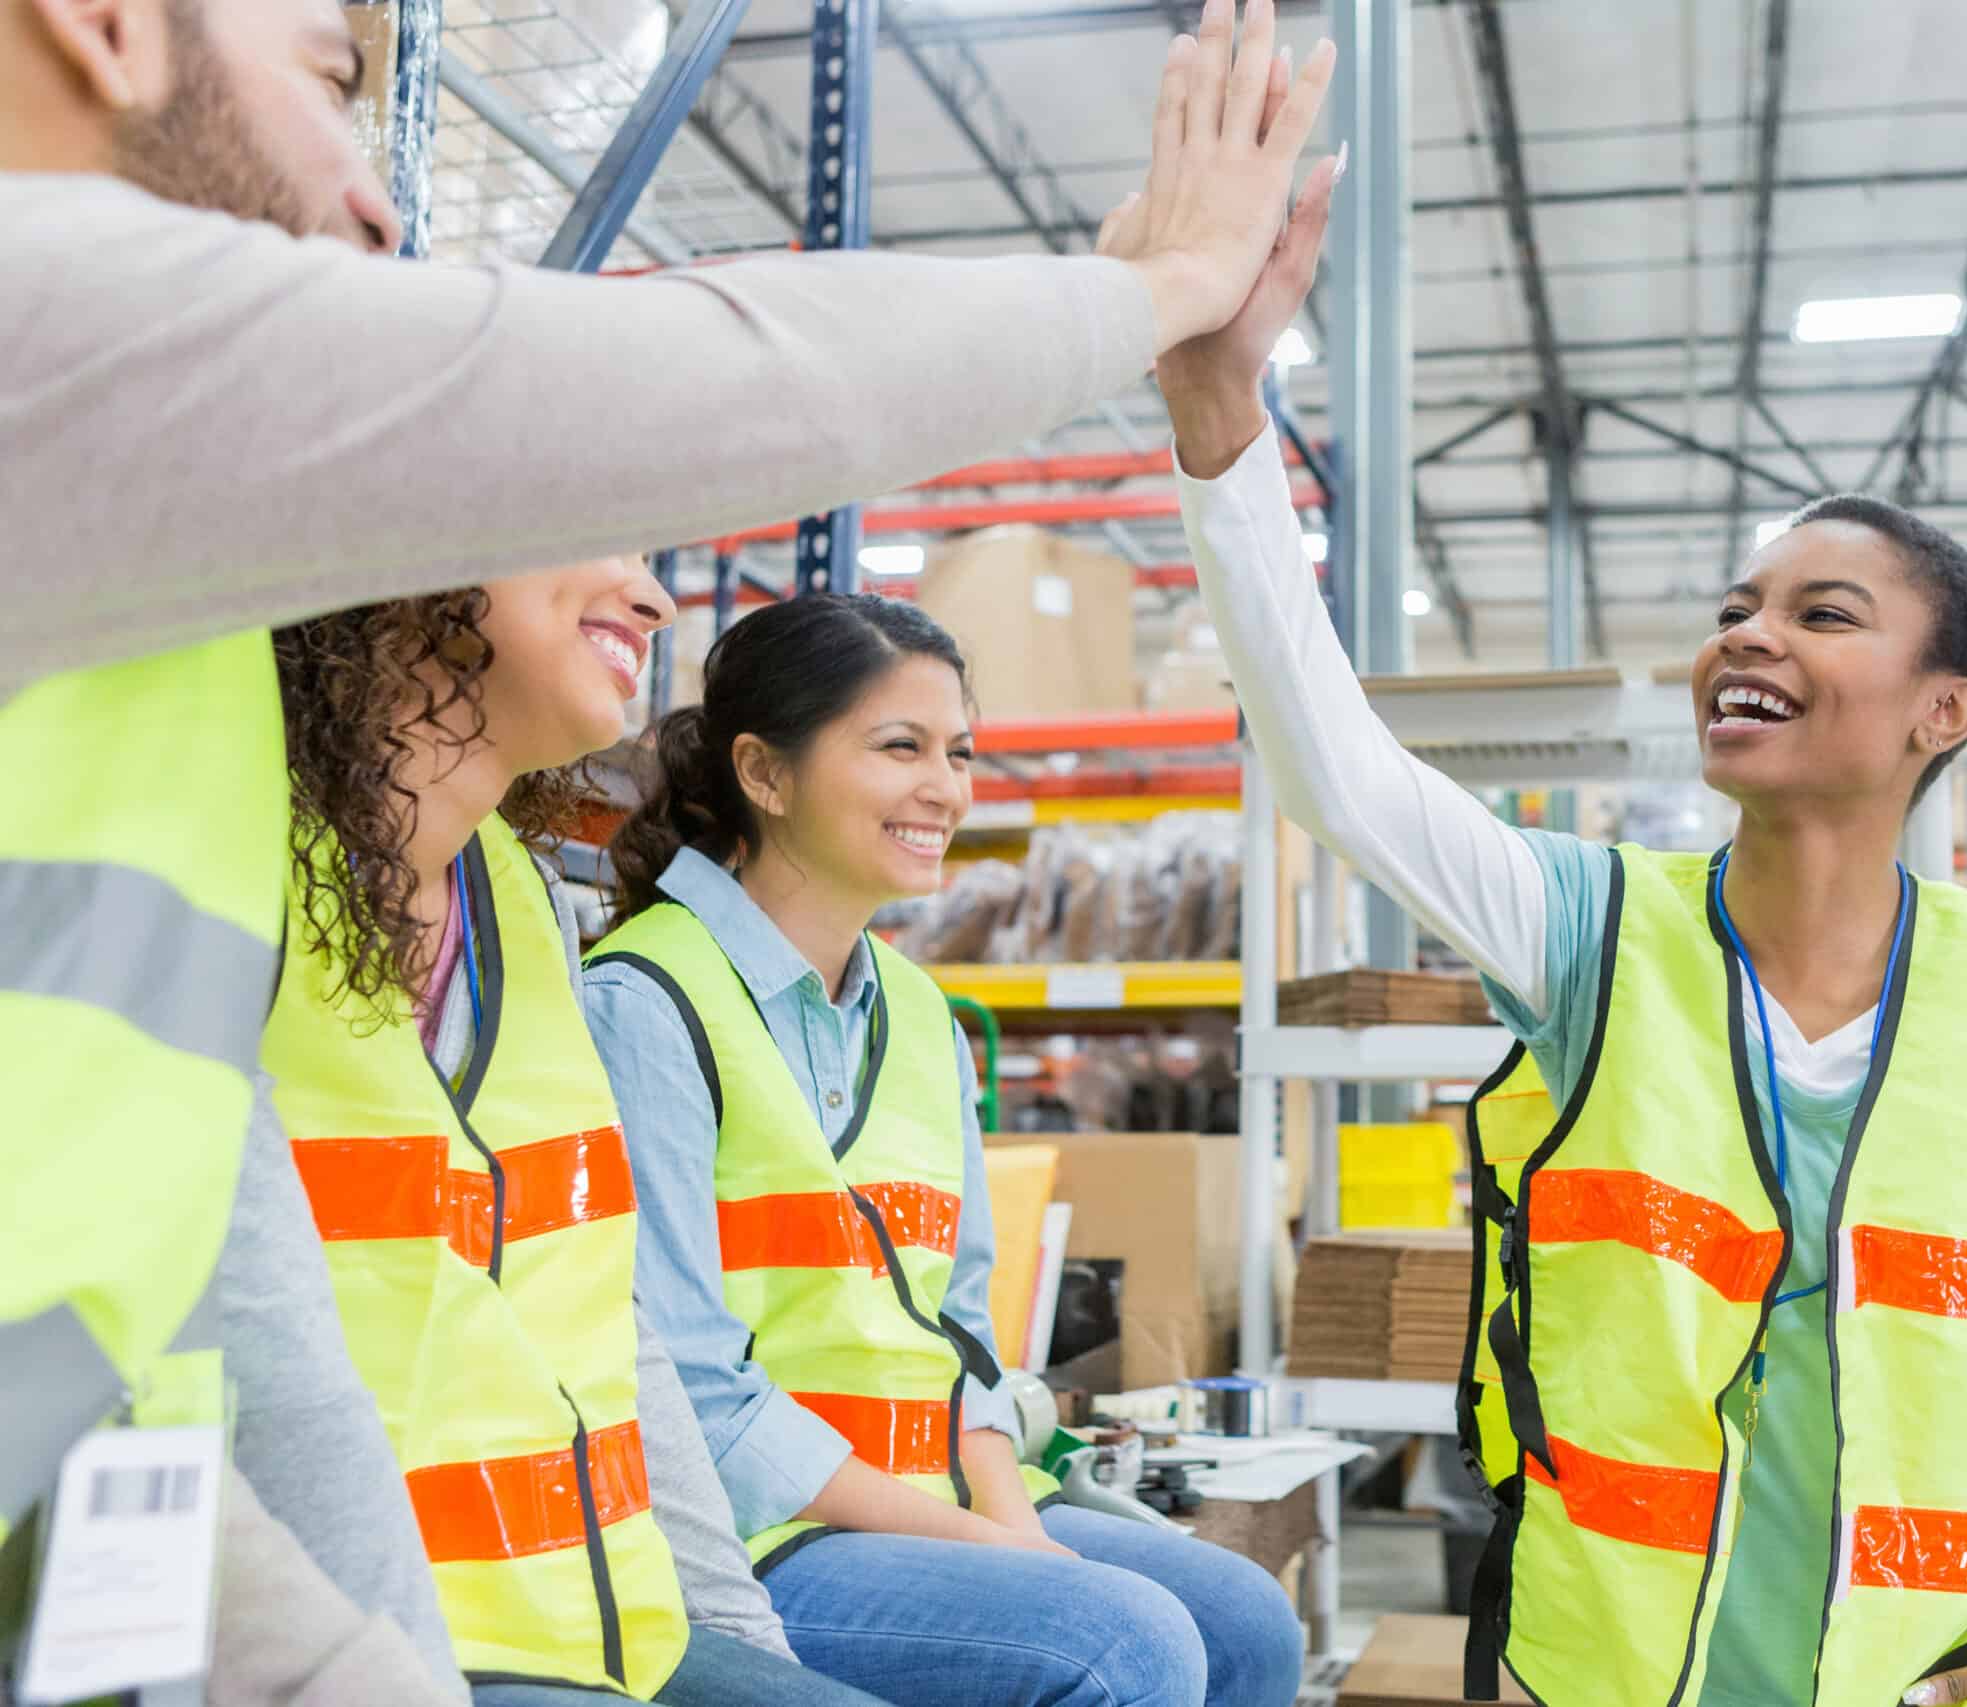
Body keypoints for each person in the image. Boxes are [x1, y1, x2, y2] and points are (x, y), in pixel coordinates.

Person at [0, 0, 1329, 1692]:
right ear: (101, 23)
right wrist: (1150, 287)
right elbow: (715, 375)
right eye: (335, 77)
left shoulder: (222, 731)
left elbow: (197, 1330)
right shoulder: (44, 342)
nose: (384, 204)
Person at [1132, 187, 1967, 1707]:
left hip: (1924, 1679)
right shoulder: (1590, 930)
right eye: (1735, 607)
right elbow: (1334, 771)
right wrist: (1222, 419)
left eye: (1822, 613)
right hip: (1594, 1671)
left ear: (1942, 709)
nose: (1747, 635)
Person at [580, 595, 1305, 1707]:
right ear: (764, 776)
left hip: (931, 1494)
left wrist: (1008, 1517)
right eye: (899, 747)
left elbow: (960, 1325)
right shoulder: (645, 1006)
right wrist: (991, 1549)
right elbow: (687, 1389)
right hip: (756, 1532)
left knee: (1247, 1621)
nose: (947, 789)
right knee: (1124, 1645)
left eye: (959, 752)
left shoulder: (919, 1014)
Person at [260, 557, 894, 1707]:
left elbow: (610, 1324)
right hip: (344, 1645)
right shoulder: (241, 882)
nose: (651, 599)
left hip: (594, 1629)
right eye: (593, 531)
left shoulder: (522, 904)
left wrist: (736, 1637)